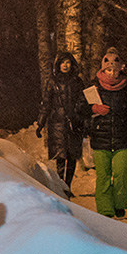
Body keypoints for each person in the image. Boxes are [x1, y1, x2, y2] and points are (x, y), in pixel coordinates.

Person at [86, 46, 127, 218]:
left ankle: (119, 204)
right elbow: (80, 109)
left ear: (121, 70)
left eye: (115, 70)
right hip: (100, 138)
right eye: (109, 70)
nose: (112, 73)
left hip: (123, 137)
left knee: (122, 173)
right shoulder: (94, 88)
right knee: (103, 176)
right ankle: (105, 211)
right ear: (103, 69)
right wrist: (94, 108)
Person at [37, 51, 87, 192]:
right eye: (63, 62)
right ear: (58, 65)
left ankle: (67, 186)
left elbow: (83, 100)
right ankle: (60, 187)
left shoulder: (77, 82)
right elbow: (46, 103)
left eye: (68, 62)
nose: (65, 65)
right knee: (60, 157)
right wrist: (41, 122)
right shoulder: (52, 82)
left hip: (74, 123)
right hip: (57, 124)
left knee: (72, 156)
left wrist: (79, 112)